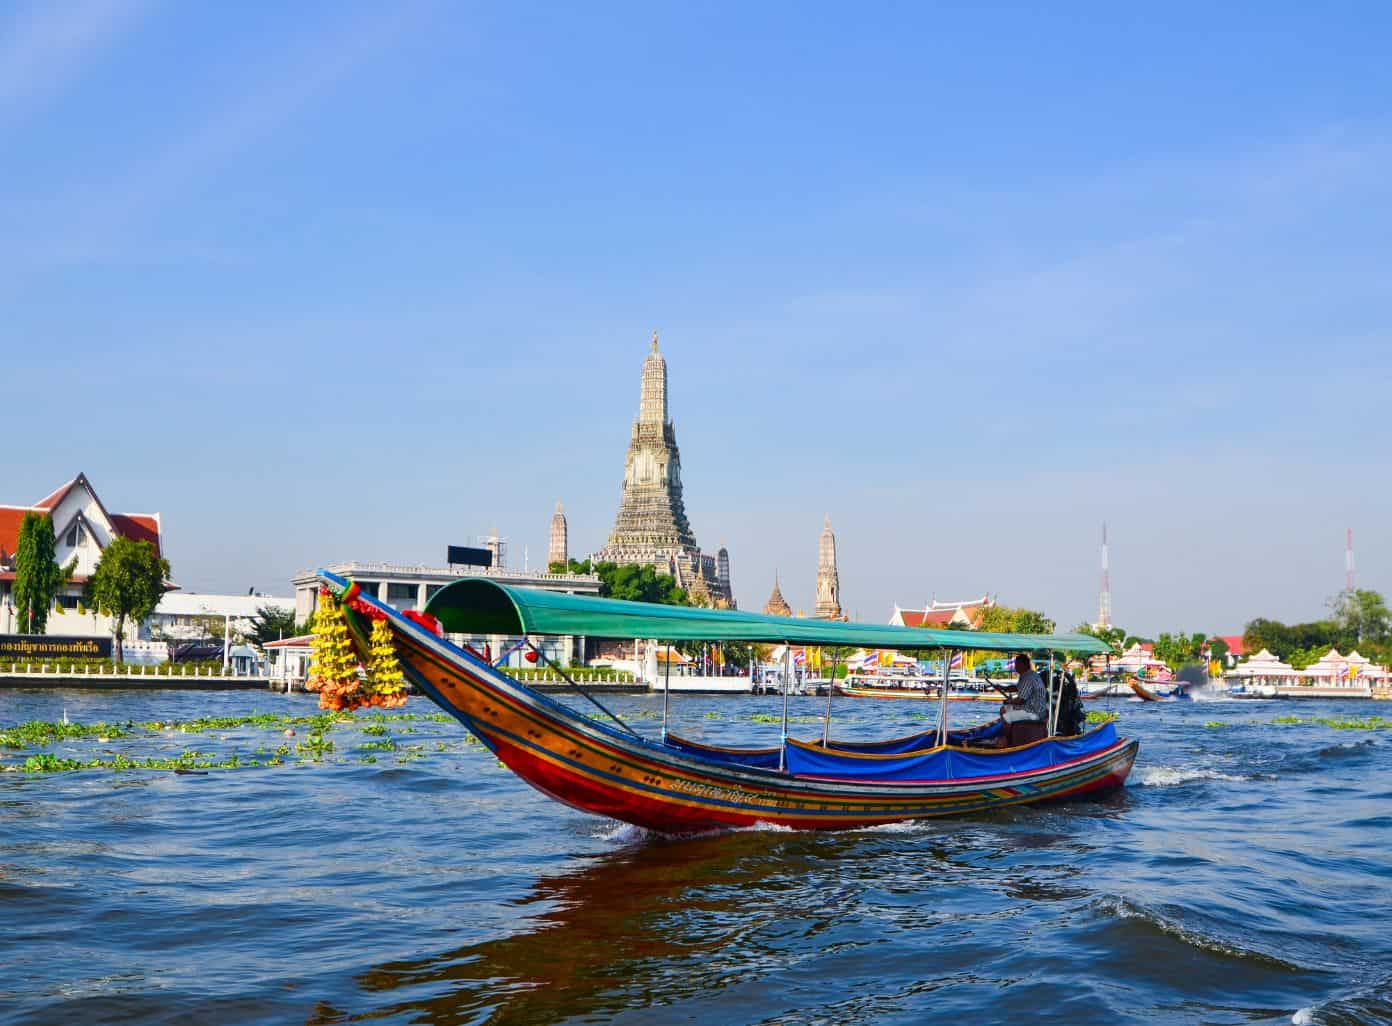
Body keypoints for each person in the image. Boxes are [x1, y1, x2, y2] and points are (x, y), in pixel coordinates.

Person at [1000, 653, 1048, 726]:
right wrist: (1003, 688)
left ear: (1024, 665)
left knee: (1006, 717)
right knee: (1004, 709)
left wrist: (1009, 701)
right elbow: (1017, 688)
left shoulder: (1028, 678)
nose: (1015, 667)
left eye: (1017, 665)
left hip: (1034, 711)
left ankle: (1009, 737)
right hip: (1031, 708)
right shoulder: (1028, 674)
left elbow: (1020, 701)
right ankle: (1014, 732)